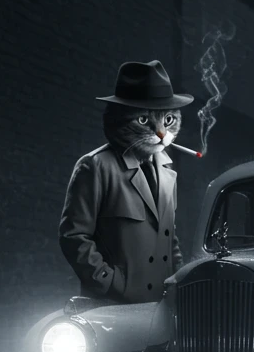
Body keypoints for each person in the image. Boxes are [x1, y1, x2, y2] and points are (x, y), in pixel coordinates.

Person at [59, 60, 193, 304]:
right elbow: (74, 236)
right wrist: (110, 283)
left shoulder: (167, 170)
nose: (162, 133)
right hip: (113, 307)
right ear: (117, 119)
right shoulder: (95, 166)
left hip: (161, 307)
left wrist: (179, 285)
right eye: (144, 120)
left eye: (169, 120)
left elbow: (169, 239)